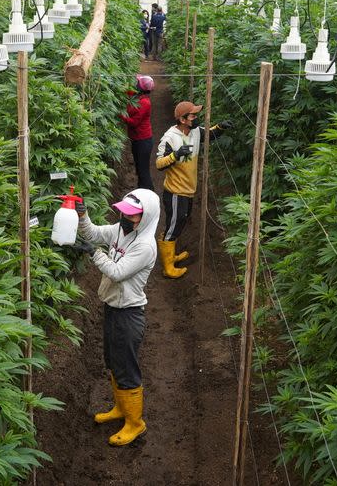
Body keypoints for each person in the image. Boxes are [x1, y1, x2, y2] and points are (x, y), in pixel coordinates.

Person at [72, 189, 160, 446]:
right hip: (113, 308)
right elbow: (94, 233)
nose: (124, 217)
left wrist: (94, 253)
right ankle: (121, 409)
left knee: (126, 367)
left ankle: (135, 423)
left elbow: (117, 271)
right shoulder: (122, 230)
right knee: (112, 360)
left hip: (128, 314)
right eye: (123, 212)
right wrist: (82, 214)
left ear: (146, 218)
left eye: (131, 215)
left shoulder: (145, 246)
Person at [155, 101, 227, 278]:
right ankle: (168, 267)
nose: (196, 118)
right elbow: (158, 164)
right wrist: (176, 154)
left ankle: (171, 255)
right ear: (182, 119)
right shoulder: (170, 138)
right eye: (192, 115)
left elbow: (208, 134)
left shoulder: (195, 132)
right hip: (175, 192)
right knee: (174, 224)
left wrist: (221, 127)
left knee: (181, 221)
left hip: (188, 190)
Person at [120, 75, 155, 190]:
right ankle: (141, 191)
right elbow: (127, 92)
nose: (135, 83)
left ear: (140, 87)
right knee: (139, 168)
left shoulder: (145, 102)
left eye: (137, 82)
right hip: (137, 139)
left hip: (143, 141)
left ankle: (148, 194)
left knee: (143, 170)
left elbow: (134, 122)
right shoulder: (136, 97)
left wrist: (121, 115)